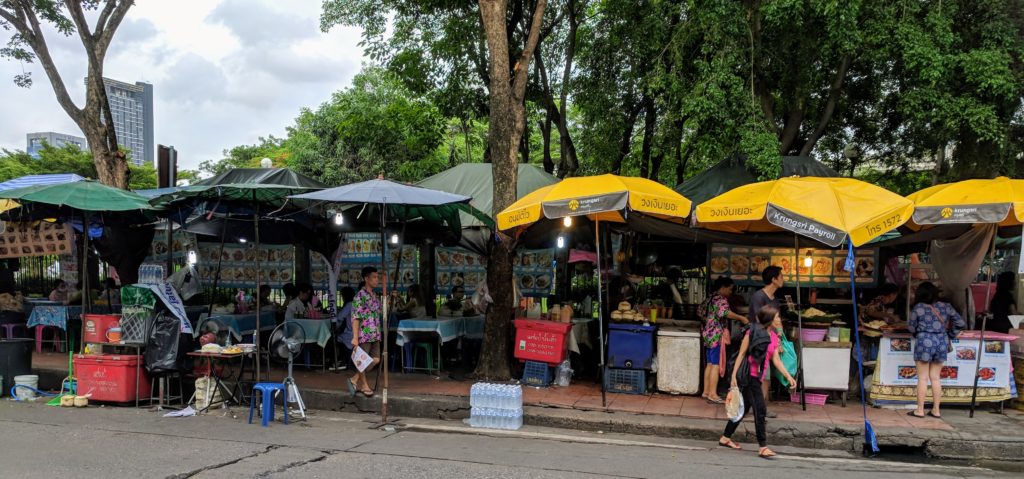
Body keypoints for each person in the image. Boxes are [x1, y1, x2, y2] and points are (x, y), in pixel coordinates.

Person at [719, 305, 797, 458]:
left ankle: (725, 437)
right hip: (750, 377)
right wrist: (734, 375)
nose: (780, 320)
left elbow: (775, 360)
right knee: (760, 410)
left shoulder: (774, 337)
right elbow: (741, 354)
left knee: (745, 408)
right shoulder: (752, 332)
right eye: (777, 317)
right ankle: (763, 446)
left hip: (758, 378)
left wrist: (788, 376)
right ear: (769, 320)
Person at [907, 282, 965, 419]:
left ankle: (920, 410)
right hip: (941, 341)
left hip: (924, 341)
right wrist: (950, 334)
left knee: (922, 378)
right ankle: (936, 410)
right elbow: (960, 323)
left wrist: (918, 334)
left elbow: (910, 327)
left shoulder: (919, 307)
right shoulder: (946, 306)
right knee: (936, 378)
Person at [699, 276, 749, 404]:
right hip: (716, 334)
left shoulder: (710, 298)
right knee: (716, 364)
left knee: (710, 364)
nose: (731, 292)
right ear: (723, 288)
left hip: (707, 333)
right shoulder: (721, 299)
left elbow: (699, 311)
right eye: (730, 289)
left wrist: (708, 321)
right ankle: (713, 393)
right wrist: (741, 318)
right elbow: (724, 313)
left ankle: (706, 391)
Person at [748, 266, 782, 414]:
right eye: (781, 276)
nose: (783, 279)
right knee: (759, 375)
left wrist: (778, 336)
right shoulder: (758, 297)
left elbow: (776, 321)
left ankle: (761, 407)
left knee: (766, 376)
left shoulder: (775, 301)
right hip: (758, 340)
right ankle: (758, 408)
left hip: (770, 340)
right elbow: (758, 320)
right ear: (773, 279)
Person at [349, 267, 382, 397]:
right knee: (362, 360)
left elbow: (379, 310)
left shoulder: (374, 295)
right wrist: (355, 337)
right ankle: (364, 385)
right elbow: (356, 317)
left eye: (377, 277)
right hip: (364, 334)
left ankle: (354, 379)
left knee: (376, 359)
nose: (376, 279)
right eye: (374, 277)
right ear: (366, 279)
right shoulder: (359, 297)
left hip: (375, 333)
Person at [331, 286, 357, 372]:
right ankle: (344, 360)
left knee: (334, 338)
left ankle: (340, 360)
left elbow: (340, 317)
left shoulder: (349, 304)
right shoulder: (357, 303)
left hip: (349, 333)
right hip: (357, 332)